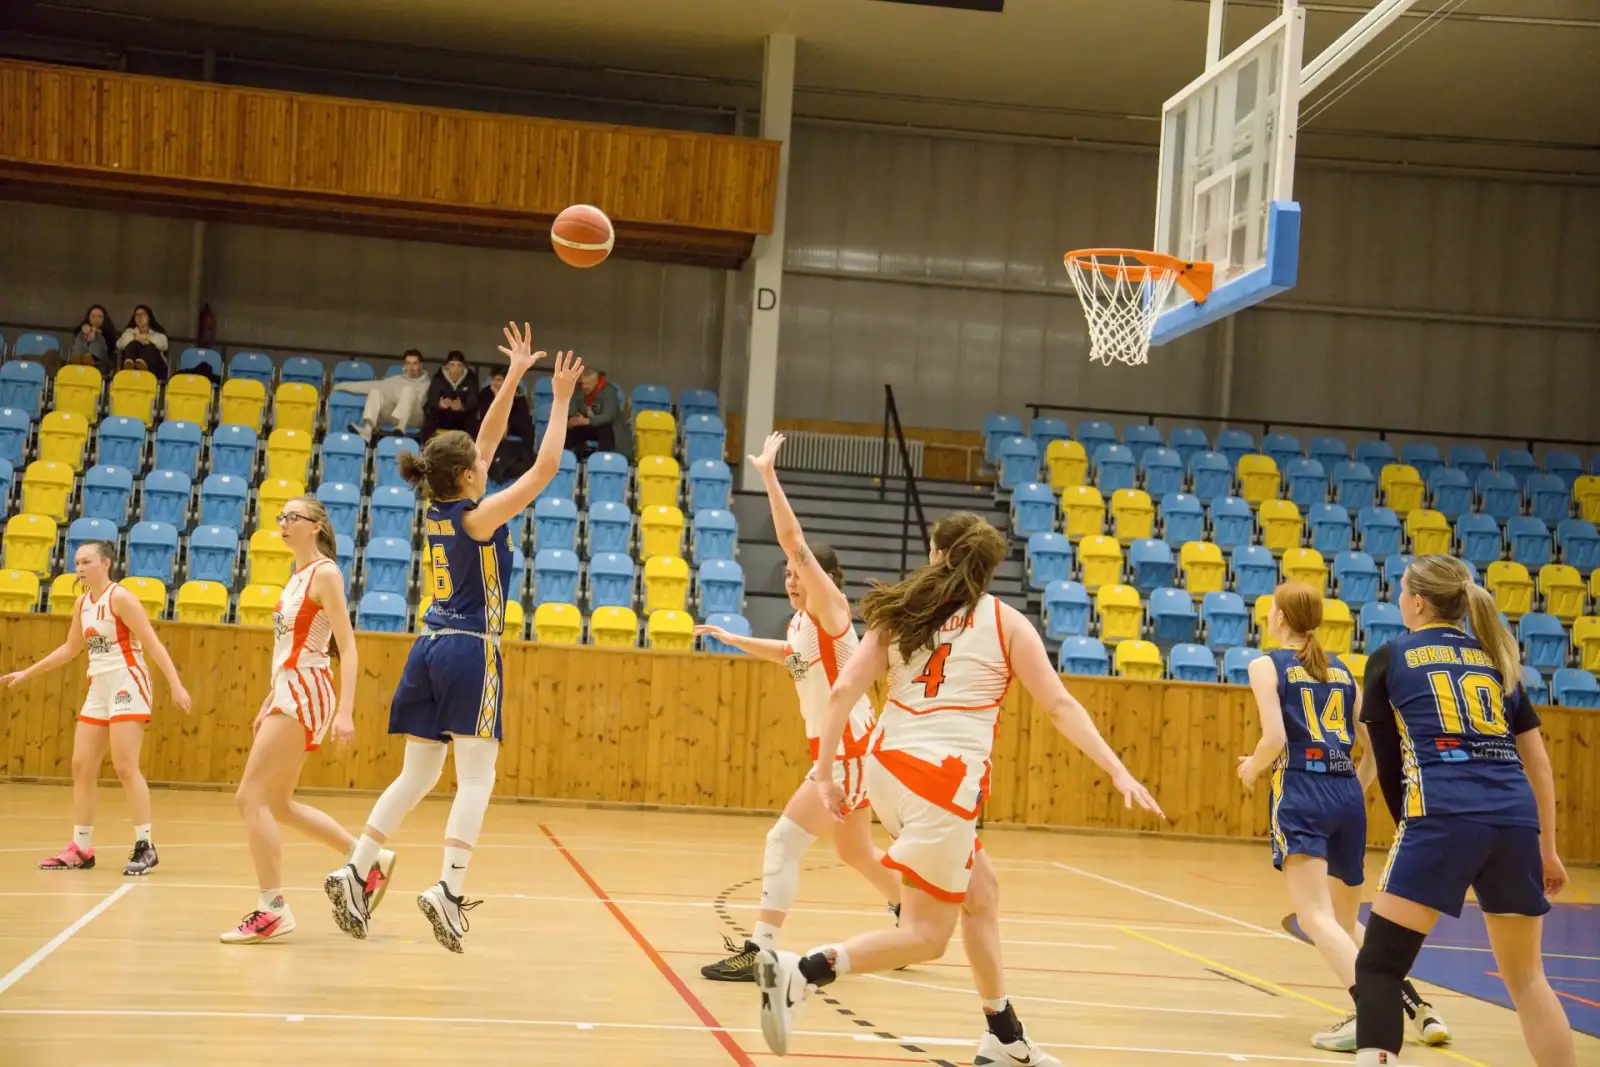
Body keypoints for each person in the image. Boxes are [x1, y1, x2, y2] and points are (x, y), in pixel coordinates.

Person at [755, 513, 1164, 1066]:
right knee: (927, 936)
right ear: (989, 569)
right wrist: (1118, 769)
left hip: (885, 768)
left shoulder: (901, 611)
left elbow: (845, 689)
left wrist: (826, 771)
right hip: (940, 781)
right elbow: (1060, 706)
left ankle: (1003, 1033)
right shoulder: (1006, 622)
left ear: (936, 553)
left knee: (983, 893)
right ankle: (802, 971)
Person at [324, 325, 582, 953]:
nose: (485, 466)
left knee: (416, 776)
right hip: (472, 648)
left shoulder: (439, 506)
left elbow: (485, 444)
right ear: (468, 476)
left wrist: (516, 375)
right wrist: (563, 397)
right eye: (479, 466)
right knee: (477, 780)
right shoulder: (481, 515)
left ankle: (356, 870)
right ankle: (448, 888)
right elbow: (545, 467)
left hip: (429, 646)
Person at [694, 432, 901, 982]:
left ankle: (761, 950)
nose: (790, 579)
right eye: (785, 576)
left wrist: (767, 475)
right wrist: (736, 640)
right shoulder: (802, 624)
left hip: (849, 751)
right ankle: (912, 913)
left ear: (822, 579)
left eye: (796, 572)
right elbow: (792, 657)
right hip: (849, 749)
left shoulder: (832, 610)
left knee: (783, 839)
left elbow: (792, 539)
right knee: (857, 852)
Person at [1354, 555, 1575, 1067]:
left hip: (1443, 815)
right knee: (1528, 980)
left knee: (1380, 968)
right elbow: (1538, 764)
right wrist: (1548, 848)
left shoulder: (1391, 657)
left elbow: (1389, 765)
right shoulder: (1497, 658)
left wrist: (1409, 831)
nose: (1397, 597)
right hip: (1515, 819)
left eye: (1401, 589)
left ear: (1419, 601)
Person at [1236, 583, 1448, 1053]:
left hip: (1301, 788)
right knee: (1345, 919)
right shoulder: (1342, 670)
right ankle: (1415, 1004)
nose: (1268, 614)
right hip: (1346, 793)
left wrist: (1251, 768)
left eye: (1270, 608)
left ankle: (1373, 1011)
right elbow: (1371, 748)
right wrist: (1354, 789)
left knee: (1314, 917)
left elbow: (1273, 739)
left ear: (1282, 618)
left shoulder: (1264, 664)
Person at [221, 497, 397, 944]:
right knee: (277, 804)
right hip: (288, 688)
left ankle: (272, 909)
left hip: (308, 689)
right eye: (280, 517)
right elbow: (289, 649)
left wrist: (346, 711)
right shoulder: (297, 577)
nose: (283, 523)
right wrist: (269, 697)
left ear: (315, 525)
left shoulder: (326, 573)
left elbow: (348, 647)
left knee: (249, 798)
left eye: (292, 517)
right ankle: (365, 858)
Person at [0, 541, 191, 875]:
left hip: (127, 681)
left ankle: (145, 845)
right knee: (81, 765)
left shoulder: (120, 597)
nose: (80, 567)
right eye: (76, 561)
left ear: (105, 563)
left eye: (86, 561)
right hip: (98, 685)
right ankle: (81, 847)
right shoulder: (81, 603)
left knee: (125, 765)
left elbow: (152, 642)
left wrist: (175, 684)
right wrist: (27, 673)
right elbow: (69, 649)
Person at [335, 349, 431, 443]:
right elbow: (369, 385)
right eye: (408, 363)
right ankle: (367, 431)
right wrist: (340, 386)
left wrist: (396, 396)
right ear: (404, 365)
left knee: (408, 390)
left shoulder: (427, 383)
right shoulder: (397, 380)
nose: (411, 367)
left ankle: (401, 427)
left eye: (415, 363)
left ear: (421, 365)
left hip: (415, 418)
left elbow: (421, 400)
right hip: (395, 417)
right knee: (375, 391)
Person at [421, 350, 481, 442]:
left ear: (463, 367)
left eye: (459, 365)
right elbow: (431, 400)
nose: (455, 369)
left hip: (462, 417)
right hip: (443, 415)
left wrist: (462, 406)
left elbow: (474, 401)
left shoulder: (471, 379)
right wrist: (440, 405)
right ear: (447, 366)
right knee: (430, 417)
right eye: (452, 365)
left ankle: (473, 450)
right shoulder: (438, 378)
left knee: (472, 419)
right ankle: (426, 447)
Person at [567, 366, 625, 457]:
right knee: (568, 430)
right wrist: (571, 420)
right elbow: (572, 408)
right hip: (584, 425)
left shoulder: (609, 391)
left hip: (603, 426)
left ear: (596, 382)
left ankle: (605, 460)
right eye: (583, 383)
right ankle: (568, 459)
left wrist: (588, 421)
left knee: (605, 430)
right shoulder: (577, 390)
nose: (584, 387)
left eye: (588, 384)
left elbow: (608, 416)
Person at [114, 305, 169, 380]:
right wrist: (134, 337)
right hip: (133, 364)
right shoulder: (129, 332)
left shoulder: (158, 333)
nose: (140, 317)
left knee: (149, 346)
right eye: (137, 315)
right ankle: (130, 365)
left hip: (155, 367)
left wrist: (147, 338)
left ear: (149, 317)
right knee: (133, 344)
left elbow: (164, 346)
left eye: (143, 314)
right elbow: (119, 344)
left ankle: (144, 365)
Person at [69, 304, 112, 373]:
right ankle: (77, 358)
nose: (96, 319)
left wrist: (96, 331)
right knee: (81, 334)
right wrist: (86, 331)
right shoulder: (83, 329)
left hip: (101, 363)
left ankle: (91, 358)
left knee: (98, 336)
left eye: (99, 317)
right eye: (93, 316)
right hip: (81, 360)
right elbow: (75, 332)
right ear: (89, 317)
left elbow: (111, 346)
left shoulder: (109, 332)